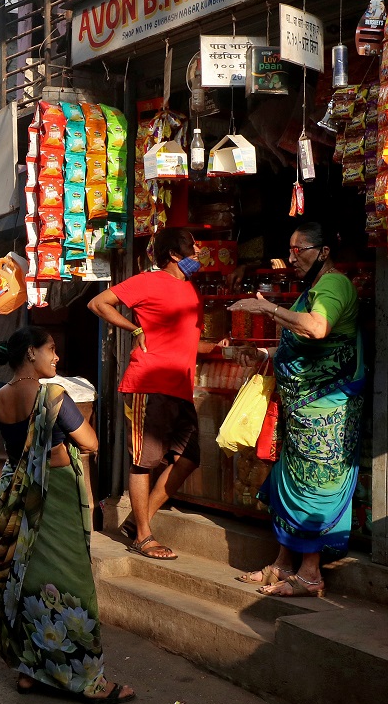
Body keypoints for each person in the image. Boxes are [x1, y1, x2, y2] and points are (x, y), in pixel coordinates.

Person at [0, 327, 135, 704]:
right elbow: (91, 442)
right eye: (51, 349)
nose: (56, 357)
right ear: (31, 353)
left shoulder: (0, 398)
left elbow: (3, 456)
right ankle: (88, 680)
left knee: (29, 579)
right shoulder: (51, 395)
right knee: (73, 582)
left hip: (21, 495)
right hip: (54, 493)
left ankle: (30, 669)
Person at [228, 222, 365, 598]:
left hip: (326, 413)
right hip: (303, 413)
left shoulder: (334, 285)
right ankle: (282, 564)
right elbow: (300, 345)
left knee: (315, 486)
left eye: (299, 249)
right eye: (289, 250)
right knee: (290, 482)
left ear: (323, 252)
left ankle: (310, 575)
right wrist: (262, 354)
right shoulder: (313, 289)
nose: (292, 258)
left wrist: (267, 306)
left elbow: (318, 329)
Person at [88, 227, 218, 561]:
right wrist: (135, 328)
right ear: (174, 254)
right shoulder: (148, 281)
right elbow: (98, 302)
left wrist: (221, 347)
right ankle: (143, 536)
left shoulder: (189, 289)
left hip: (179, 388)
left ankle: (136, 521)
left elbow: (188, 342)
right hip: (150, 384)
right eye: (191, 245)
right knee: (144, 462)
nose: (197, 250)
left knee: (189, 458)